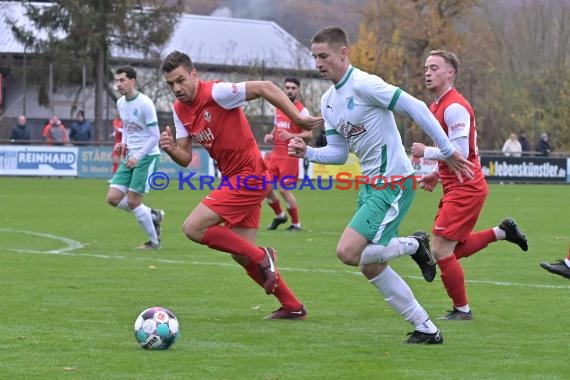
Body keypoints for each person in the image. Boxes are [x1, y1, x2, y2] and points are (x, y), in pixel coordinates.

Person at [288, 27, 474, 344]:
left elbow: (415, 106)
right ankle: (426, 328)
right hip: (369, 186)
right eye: (315, 57)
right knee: (371, 266)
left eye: (324, 56)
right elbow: (337, 153)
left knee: (349, 252)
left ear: (343, 53)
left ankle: (415, 245)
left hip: (394, 182)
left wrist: (445, 148)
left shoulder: (365, 84)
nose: (318, 63)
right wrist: (307, 152)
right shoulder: (328, 100)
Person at [158, 51, 322, 319]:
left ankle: (262, 256)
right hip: (234, 178)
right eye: (170, 84)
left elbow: (265, 87)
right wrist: (170, 149)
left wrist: (299, 118)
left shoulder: (218, 93)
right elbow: (186, 158)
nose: (176, 88)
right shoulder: (179, 110)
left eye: (180, 80)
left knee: (193, 228)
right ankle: (293, 306)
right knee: (240, 254)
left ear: (194, 75)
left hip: (249, 176)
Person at [410, 50, 529, 321]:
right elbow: (453, 153)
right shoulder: (436, 106)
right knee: (447, 250)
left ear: (450, 73)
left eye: (434, 68)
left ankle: (462, 309)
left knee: (440, 250)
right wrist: (436, 174)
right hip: (456, 184)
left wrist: (425, 152)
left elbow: (461, 152)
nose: (427, 72)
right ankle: (502, 232)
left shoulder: (454, 107)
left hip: (466, 186)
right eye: (426, 67)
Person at [105, 66, 165, 250]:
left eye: (122, 80)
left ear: (133, 81)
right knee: (113, 198)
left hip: (146, 156)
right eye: (116, 81)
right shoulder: (121, 103)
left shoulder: (145, 104)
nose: (118, 84)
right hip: (131, 155)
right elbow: (127, 126)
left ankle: (154, 242)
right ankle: (152, 214)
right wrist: (123, 143)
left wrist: (138, 156)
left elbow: (155, 136)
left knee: (132, 201)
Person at [264, 77, 313, 231]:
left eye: (293, 88)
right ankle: (280, 216)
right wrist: (271, 135)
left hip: (289, 156)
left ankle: (296, 224)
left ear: (297, 90)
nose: (290, 90)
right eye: (287, 87)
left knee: (284, 190)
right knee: (264, 187)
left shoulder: (302, 110)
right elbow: (277, 127)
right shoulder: (278, 107)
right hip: (275, 155)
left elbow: (309, 134)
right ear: (284, 89)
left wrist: (291, 135)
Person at [111, 110, 123, 174]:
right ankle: (115, 178)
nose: (118, 113)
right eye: (117, 112)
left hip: (126, 143)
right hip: (118, 143)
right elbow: (116, 129)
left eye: (119, 112)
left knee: (128, 161)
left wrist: (119, 130)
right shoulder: (115, 121)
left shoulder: (126, 120)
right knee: (114, 159)